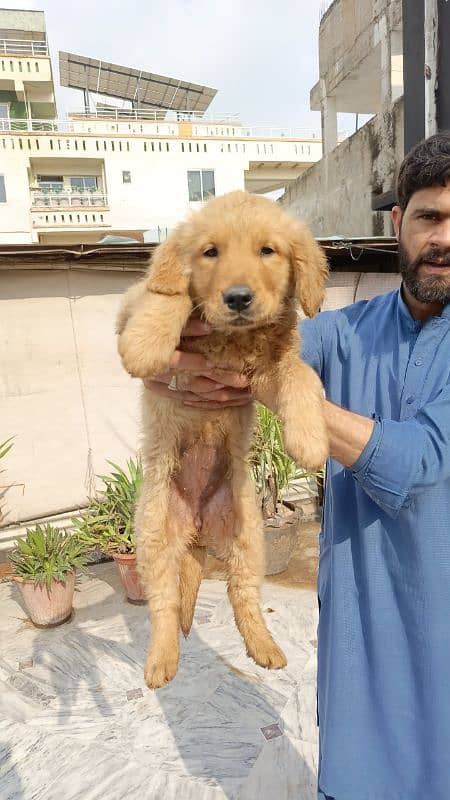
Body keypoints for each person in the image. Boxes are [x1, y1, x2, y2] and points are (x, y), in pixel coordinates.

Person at [144, 132, 450, 799]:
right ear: (399, 224)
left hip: (441, 613)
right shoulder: (351, 329)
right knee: (356, 765)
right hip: (360, 618)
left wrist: (264, 386)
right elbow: (252, 341)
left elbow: (423, 458)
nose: (444, 238)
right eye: (431, 217)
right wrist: (183, 355)